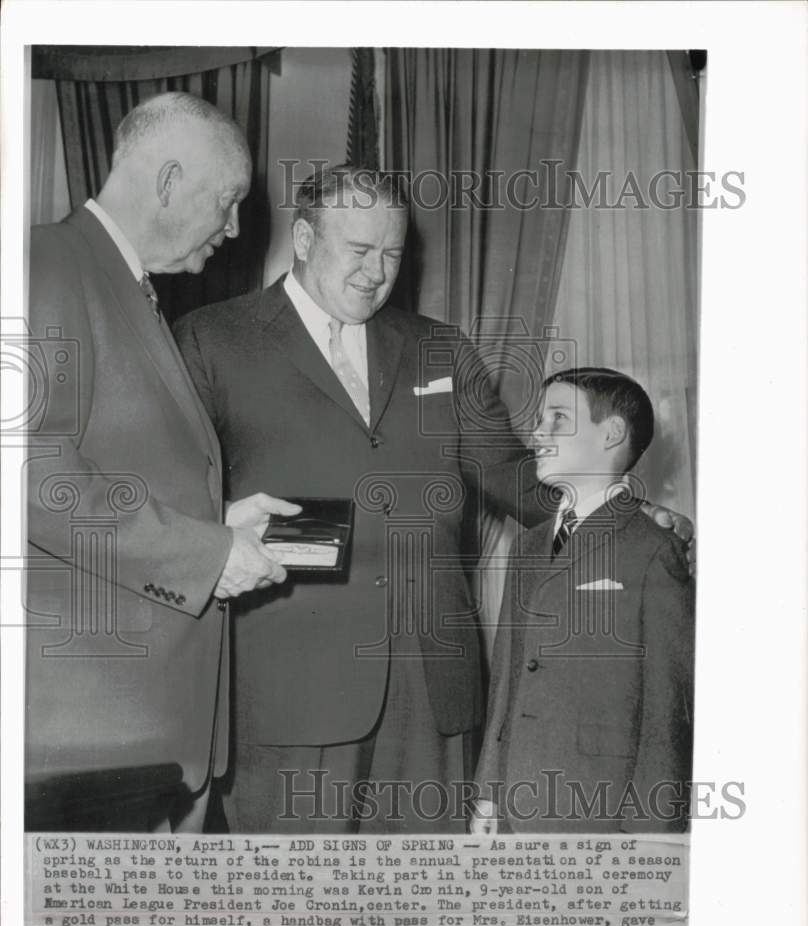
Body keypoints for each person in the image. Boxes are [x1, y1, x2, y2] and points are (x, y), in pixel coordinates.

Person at [175, 164, 693, 833]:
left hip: (433, 694)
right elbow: (174, 493)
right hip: (289, 692)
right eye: (358, 252)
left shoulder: (440, 348)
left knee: (423, 915)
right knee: (293, 913)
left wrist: (617, 516)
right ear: (304, 240)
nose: (376, 273)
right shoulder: (212, 340)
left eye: (391, 255)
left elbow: (512, 474)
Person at [26, 92, 297, 834]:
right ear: (171, 181)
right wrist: (206, 553)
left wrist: (222, 521)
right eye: (229, 201)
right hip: (89, 744)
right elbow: (28, 472)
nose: (236, 227)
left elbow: (106, 460)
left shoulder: (125, 286)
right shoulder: (45, 263)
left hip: (147, 733)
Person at [471, 368, 694, 834]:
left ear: (612, 434)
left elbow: (665, 712)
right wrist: (489, 794)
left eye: (558, 417)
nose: (538, 431)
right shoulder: (528, 546)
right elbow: (508, 680)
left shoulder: (653, 548)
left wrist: (652, 836)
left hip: (601, 810)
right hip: (517, 799)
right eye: (539, 418)